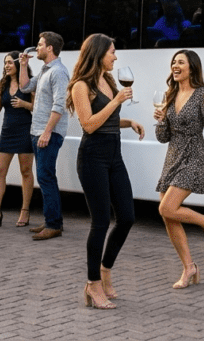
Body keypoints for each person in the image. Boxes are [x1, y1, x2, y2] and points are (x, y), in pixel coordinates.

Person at [66, 34, 145, 309]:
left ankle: (105, 270)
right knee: (100, 222)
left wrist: (128, 121)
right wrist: (117, 100)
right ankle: (92, 284)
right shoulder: (81, 86)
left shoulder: (109, 81)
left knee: (127, 217)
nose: (115, 56)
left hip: (114, 155)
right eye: (112, 52)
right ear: (98, 53)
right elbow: (88, 124)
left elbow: (108, 118)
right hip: (92, 158)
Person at [154, 49, 204, 289]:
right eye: (173, 62)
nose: (175, 66)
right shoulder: (170, 93)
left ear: (192, 68)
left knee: (167, 207)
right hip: (172, 156)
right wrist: (160, 120)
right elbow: (163, 137)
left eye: (181, 62)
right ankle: (189, 268)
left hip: (194, 155)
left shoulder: (203, 94)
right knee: (168, 214)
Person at [20, 31, 70, 240]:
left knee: (45, 177)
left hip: (48, 133)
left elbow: (60, 105)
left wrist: (47, 132)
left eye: (40, 44)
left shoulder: (58, 72)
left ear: (50, 48)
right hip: (38, 130)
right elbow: (25, 87)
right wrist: (23, 65)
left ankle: (53, 225)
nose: (37, 48)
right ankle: (52, 219)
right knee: (45, 177)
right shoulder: (45, 70)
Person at [0, 52, 36, 229]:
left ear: (19, 64)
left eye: (10, 62)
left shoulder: (29, 83)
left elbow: (37, 107)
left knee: (26, 171)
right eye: (5, 63)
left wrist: (24, 104)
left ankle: (25, 211)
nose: (7, 65)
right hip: (7, 132)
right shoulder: (3, 83)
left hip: (25, 131)